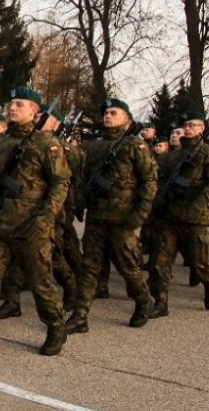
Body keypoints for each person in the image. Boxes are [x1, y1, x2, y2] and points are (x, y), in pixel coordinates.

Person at [0, 86, 71, 366]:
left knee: (41, 283)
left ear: (35, 111)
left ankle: (56, 325)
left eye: (20, 104)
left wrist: (45, 218)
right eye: (12, 103)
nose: (14, 108)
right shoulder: (4, 143)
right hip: (0, 225)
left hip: (31, 226)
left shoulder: (47, 143)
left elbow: (60, 183)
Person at [65, 98, 157, 334]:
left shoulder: (135, 146)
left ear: (127, 118)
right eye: (106, 112)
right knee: (89, 267)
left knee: (128, 268)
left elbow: (148, 182)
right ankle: (80, 315)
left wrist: (139, 215)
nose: (108, 116)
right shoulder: (95, 147)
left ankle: (143, 302)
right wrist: (80, 203)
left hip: (122, 220)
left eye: (114, 112)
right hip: (97, 218)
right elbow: (85, 178)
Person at [147, 110, 209, 317]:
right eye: (186, 125)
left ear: (202, 129)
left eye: (193, 125)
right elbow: (158, 178)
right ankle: (161, 301)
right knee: (159, 262)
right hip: (169, 216)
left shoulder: (208, 154)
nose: (188, 128)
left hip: (194, 218)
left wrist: (200, 202)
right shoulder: (173, 156)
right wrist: (159, 196)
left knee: (198, 262)